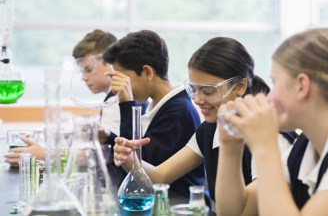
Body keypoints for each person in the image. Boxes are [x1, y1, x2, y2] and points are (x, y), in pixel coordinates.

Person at [112, 36, 294, 207]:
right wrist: (130, 158)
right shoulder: (209, 129)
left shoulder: (270, 136)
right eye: (194, 90)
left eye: (208, 92)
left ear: (240, 86)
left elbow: (250, 210)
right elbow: (160, 176)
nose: (197, 100)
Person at [215, 28, 328, 215]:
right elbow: (235, 213)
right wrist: (230, 146)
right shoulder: (305, 145)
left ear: (302, 86)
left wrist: (264, 148)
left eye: (274, 83)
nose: (269, 97)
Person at [102, 30, 206, 201]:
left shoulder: (177, 112)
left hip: (177, 205)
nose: (118, 87)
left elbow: (138, 176)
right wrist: (108, 138)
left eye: (124, 78)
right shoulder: (156, 105)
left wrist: (126, 104)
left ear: (147, 72)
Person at [5, 29, 124, 167]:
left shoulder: (116, 101)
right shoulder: (113, 99)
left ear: (110, 63)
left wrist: (45, 154)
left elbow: (102, 155)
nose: (83, 77)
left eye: (89, 69)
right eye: (81, 71)